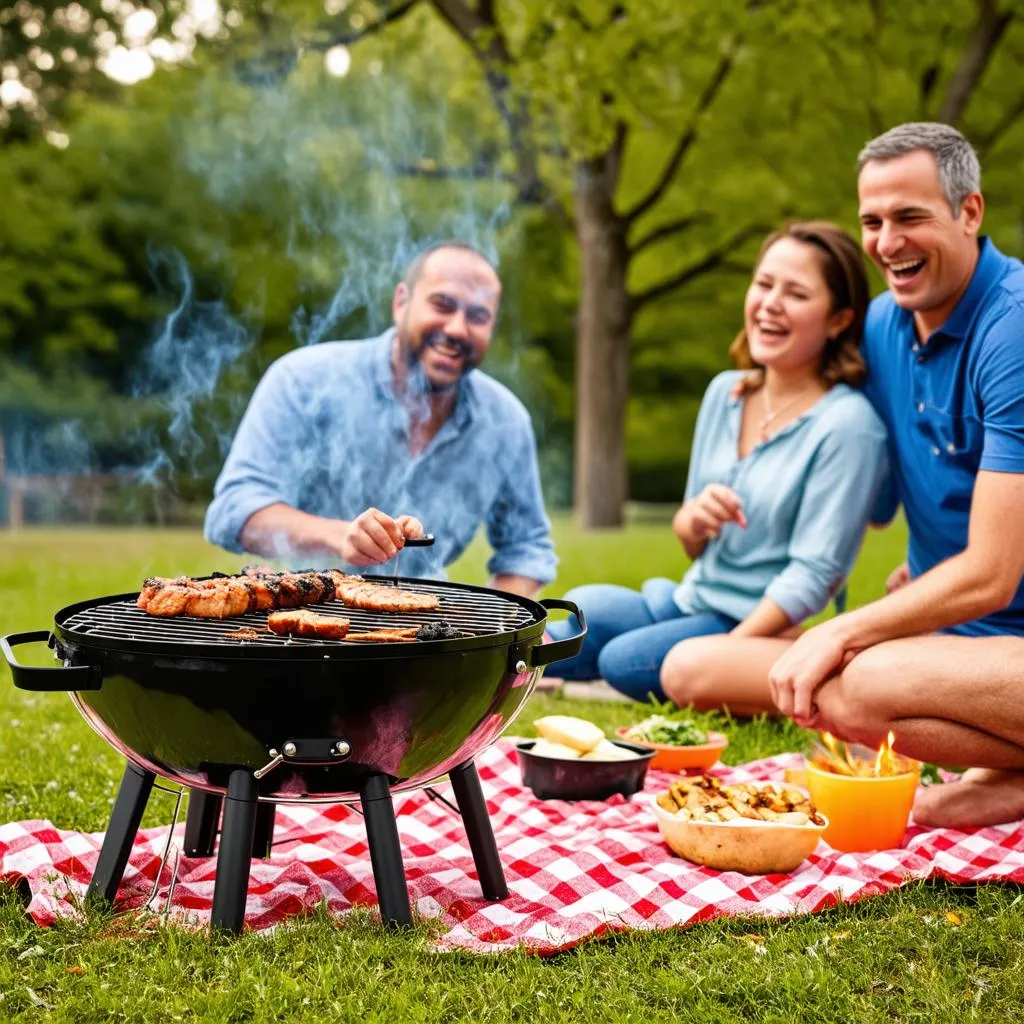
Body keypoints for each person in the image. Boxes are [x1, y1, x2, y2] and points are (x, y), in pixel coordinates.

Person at [666, 123, 1024, 828]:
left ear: (970, 212)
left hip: (994, 630)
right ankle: (1002, 779)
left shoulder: (1011, 329)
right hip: (955, 642)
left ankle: (1002, 784)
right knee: (726, 672)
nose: (888, 241)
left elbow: (990, 574)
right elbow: (872, 491)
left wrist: (844, 629)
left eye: (911, 216)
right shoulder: (886, 328)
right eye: (873, 220)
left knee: (849, 674)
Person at [544, 222, 889, 701]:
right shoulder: (725, 394)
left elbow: (814, 576)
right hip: (689, 600)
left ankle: (598, 671)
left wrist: (730, 654)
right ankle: (538, 668)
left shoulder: (849, 425)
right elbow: (691, 540)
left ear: (838, 320)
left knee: (622, 660)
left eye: (796, 293)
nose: (770, 303)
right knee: (586, 606)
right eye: (764, 284)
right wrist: (694, 520)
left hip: (759, 622)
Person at [204, 241, 556, 598]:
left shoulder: (506, 421)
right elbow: (234, 509)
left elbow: (526, 548)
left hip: (426, 630)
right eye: (442, 305)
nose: (458, 329)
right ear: (401, 303)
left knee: (599, 612)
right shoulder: (302, 381)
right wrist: (340, 536)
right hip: (304, 619)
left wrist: (494, 630)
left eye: (478, 316)